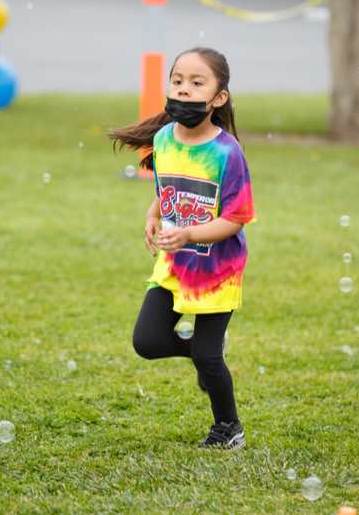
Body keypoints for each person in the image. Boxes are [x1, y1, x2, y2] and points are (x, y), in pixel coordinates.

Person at [109, 48, 255, 449]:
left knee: (208, 358)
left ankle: (228, 428)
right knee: (147, 341)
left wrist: (189, 235)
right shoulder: (163, 140)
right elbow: (166, 188)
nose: (184, 90)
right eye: (177, 81)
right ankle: (204, 352)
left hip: (217, 271)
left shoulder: (227, 152)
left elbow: (237, 218)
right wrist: (152, 214)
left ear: (219, 97)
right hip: (174, 265)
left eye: (196, 83)